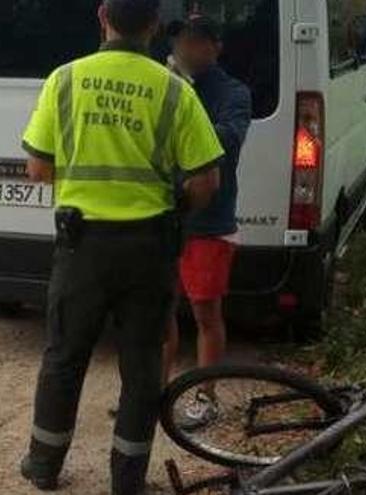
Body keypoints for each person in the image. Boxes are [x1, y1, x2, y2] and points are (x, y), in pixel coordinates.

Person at [19, 1, 224, 493]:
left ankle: (44, 466)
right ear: (154, 25)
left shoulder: (64, 81)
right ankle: (126, 480)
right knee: (142, 366)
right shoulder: (174, 90)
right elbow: (206, 181)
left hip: (81, 248)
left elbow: (38, 168)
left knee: (64, 358)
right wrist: (173, 209)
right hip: (148, 251)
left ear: (101, 15)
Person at [162, 15, 252, 430]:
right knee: (160, 312)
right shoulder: (167, 86)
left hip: (210, 222)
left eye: (196, 41)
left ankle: (205, 396)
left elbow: (225, 140)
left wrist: (185, 98)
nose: (186, 49)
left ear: (215, 46)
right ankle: (153, 390)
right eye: (181, 41)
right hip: (164, 219)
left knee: (205, 314)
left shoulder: (234, 92)